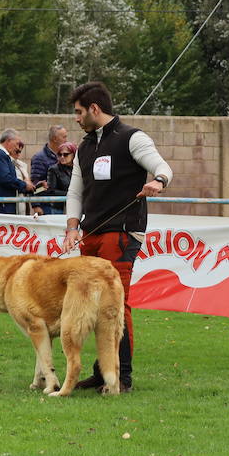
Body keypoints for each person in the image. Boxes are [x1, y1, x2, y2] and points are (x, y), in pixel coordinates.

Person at [63, 82, 172, 393]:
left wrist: (159, 182)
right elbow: (76, 191)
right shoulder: (84, 146)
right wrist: (72, 226)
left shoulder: (132, 138)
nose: (76, 118)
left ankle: (121, 378)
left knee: (115, 304)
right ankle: (101, 372)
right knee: (93, 304)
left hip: (122, 231)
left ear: (95, 109)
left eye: (79, 112)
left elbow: (162, 167)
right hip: (91, 233)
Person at [0, 128, 33, 214]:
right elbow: (5, 179)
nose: (17, 147)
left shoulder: (2, 156)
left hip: (1, 206)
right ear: (8, 141)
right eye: (16, 144)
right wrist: (24, 185)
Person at [30, 124, 70, 215]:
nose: (66, 140)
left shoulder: (63, 156)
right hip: (47, 206)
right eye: (64, 137)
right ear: (55, 139)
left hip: (62, 204)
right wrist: (36, 205)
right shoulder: (39, 158)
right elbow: (35, 184)